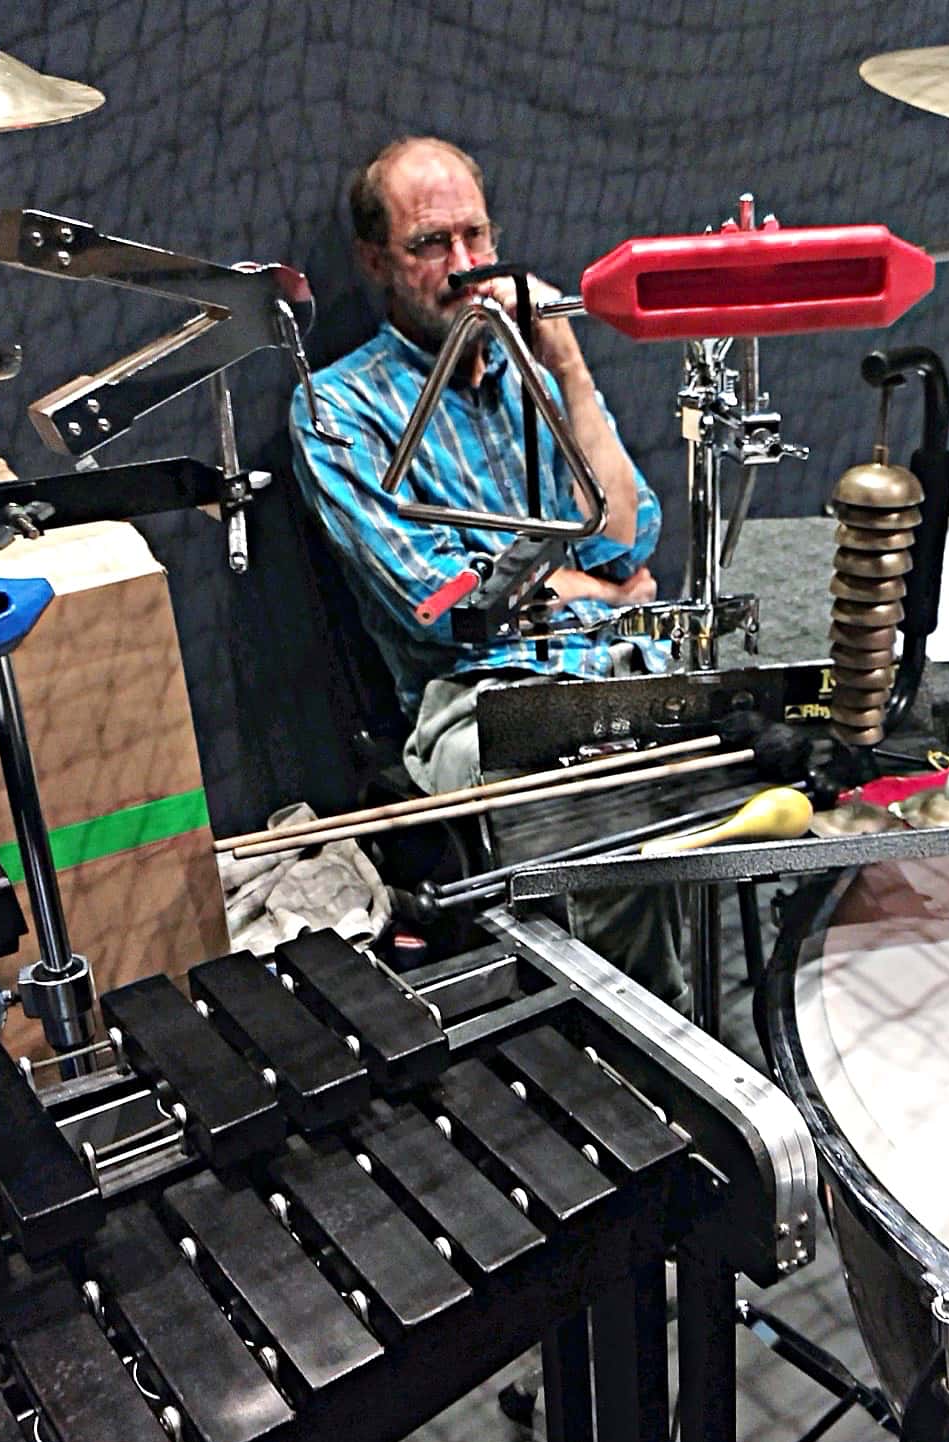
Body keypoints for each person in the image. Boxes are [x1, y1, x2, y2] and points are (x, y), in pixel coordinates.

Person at [292, 135, 687, 1012]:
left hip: (624, 667)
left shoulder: (527, 374)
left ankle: (731, 1036)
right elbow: (449, 606)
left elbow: (627, 537)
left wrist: (570, 368)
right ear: (376, 262)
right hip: (481, 699)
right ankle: (646, 1063)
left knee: (785, 764)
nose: (466, 268)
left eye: (476, 238)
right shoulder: (337, 406)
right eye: (431, 244)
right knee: (610, 828)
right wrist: (597, 591)